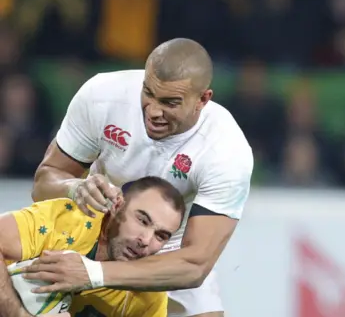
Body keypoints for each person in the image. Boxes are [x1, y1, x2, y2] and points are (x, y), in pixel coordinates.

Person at [23, 38, 253, 317]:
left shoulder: (226, 150)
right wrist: (75, 188)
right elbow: (44, 182)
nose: (154, 111)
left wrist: (94, 274)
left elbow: (195, 265)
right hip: (95, 225)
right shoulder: (102, 95)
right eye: (148, 93)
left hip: (169, 250)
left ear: (203, 99)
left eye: (170, 103)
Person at [1, 176, 186, 317]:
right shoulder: (68, 220)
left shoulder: (148, 295)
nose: (145, 240)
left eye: (160, 236)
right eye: (142, 220)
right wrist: (16, 312)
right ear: (118, 206)